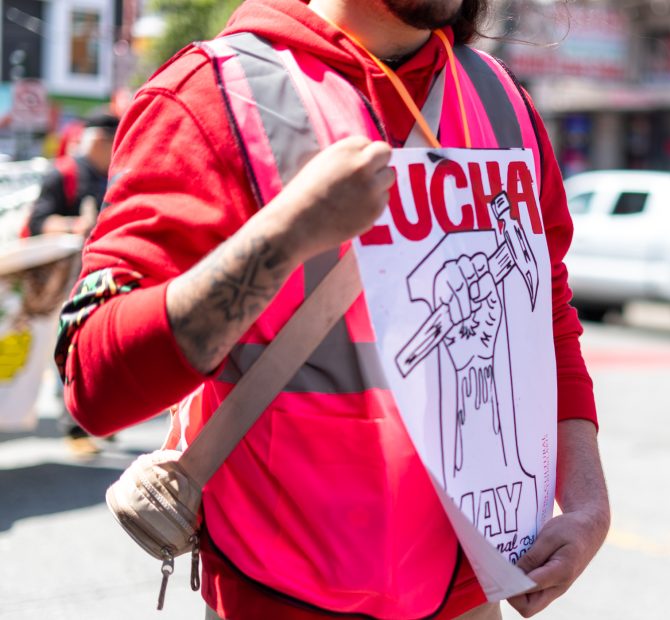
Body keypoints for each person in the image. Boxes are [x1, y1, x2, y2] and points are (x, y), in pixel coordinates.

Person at [56, 1, 610, 618]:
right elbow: (94, 380)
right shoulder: (211, 95)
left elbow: (544, 312)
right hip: (280, 593)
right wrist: (282, 238)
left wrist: (586, 502)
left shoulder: (500, 100)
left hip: (471, 591)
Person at [25, 112, 117, 454]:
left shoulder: (113, 176)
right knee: (73, 352)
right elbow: (38, 222)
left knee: (102, 352)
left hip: (103, 275)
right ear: (100, 141)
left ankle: (98, 419)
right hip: (64, 282)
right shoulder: (63, 173)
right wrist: (74, 226)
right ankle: (75, 430)